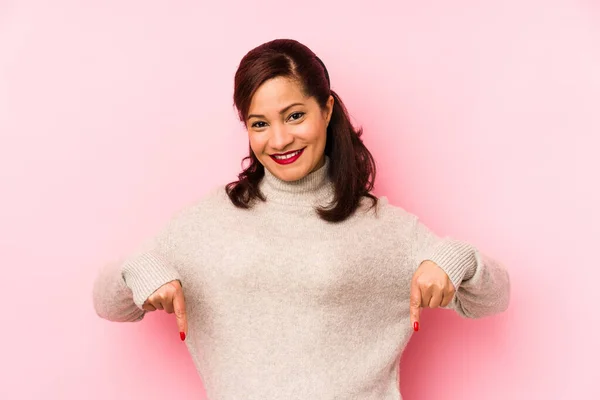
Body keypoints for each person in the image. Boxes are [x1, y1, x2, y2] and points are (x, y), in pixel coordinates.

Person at [92, 38, 510, 400]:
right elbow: (109, 304)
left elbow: (492, 298)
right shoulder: (207, 221)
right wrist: (138, 271)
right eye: (260, 124)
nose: (279, 140)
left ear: (326, 110)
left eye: (295, 116)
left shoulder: (382, 226)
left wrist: (459, 260)